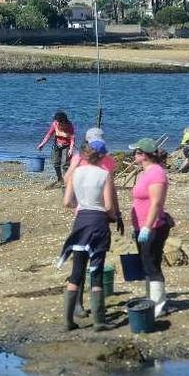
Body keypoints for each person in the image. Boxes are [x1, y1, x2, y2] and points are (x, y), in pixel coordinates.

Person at [57, 140, 118, 332]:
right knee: (96, 271)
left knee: (76, 272)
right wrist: (113, 217)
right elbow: (108, 206)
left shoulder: (76, 173)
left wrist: (81, 207)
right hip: (98, 221)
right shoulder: (104, 175)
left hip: (81, 221)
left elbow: (67, 202)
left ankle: (68, 321)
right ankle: (99, 321)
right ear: (101, 156)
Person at [129, 138, 172, 318]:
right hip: (142, 225)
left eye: (136, 152)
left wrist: (147, 226)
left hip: (153, 226)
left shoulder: (156, 173)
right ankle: (151, 300)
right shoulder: (146, 172)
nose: (133, 155)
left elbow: (156, 203)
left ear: (144, 155)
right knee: (147, 264)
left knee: (152, 265)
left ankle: (158, 306)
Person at [37, 111, 75, 186]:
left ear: (64, 121)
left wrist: (71, 149)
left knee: (65, 165)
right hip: (57, 145)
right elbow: (49, 135)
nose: (58, 123)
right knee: (55, 163)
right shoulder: (55, 124)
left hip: (67, 146)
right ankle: (60, 179)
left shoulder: (69, 126)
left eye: (60, 122)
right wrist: (42, 144)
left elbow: (72, 138)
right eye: (57, 122)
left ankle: (66, 181)